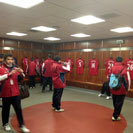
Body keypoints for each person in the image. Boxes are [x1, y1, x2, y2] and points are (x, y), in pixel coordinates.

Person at [0, 54, 30, 132]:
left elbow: (21, 78)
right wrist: (9, 74)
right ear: (5, 60)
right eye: (8, 59)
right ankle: (5, 124)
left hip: (15, 93)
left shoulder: (15, 68)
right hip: (5, 93)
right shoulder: (1, 68)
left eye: (11, 59)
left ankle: (21, 125)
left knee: (18, 110)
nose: (10, 61)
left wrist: (22, 72)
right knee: (6, 110)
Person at [108, 56, 131, 121]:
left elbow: (108, 77)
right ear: (122, 61)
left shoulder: (112, 68)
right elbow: (128, 80)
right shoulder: (124, 69)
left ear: (116, 61)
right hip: (121, 89)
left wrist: (110, 86)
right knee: (119, 103)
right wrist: (127, 88)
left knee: (115, 102)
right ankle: (115, 116)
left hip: (113, 88)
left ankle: (116, 112)